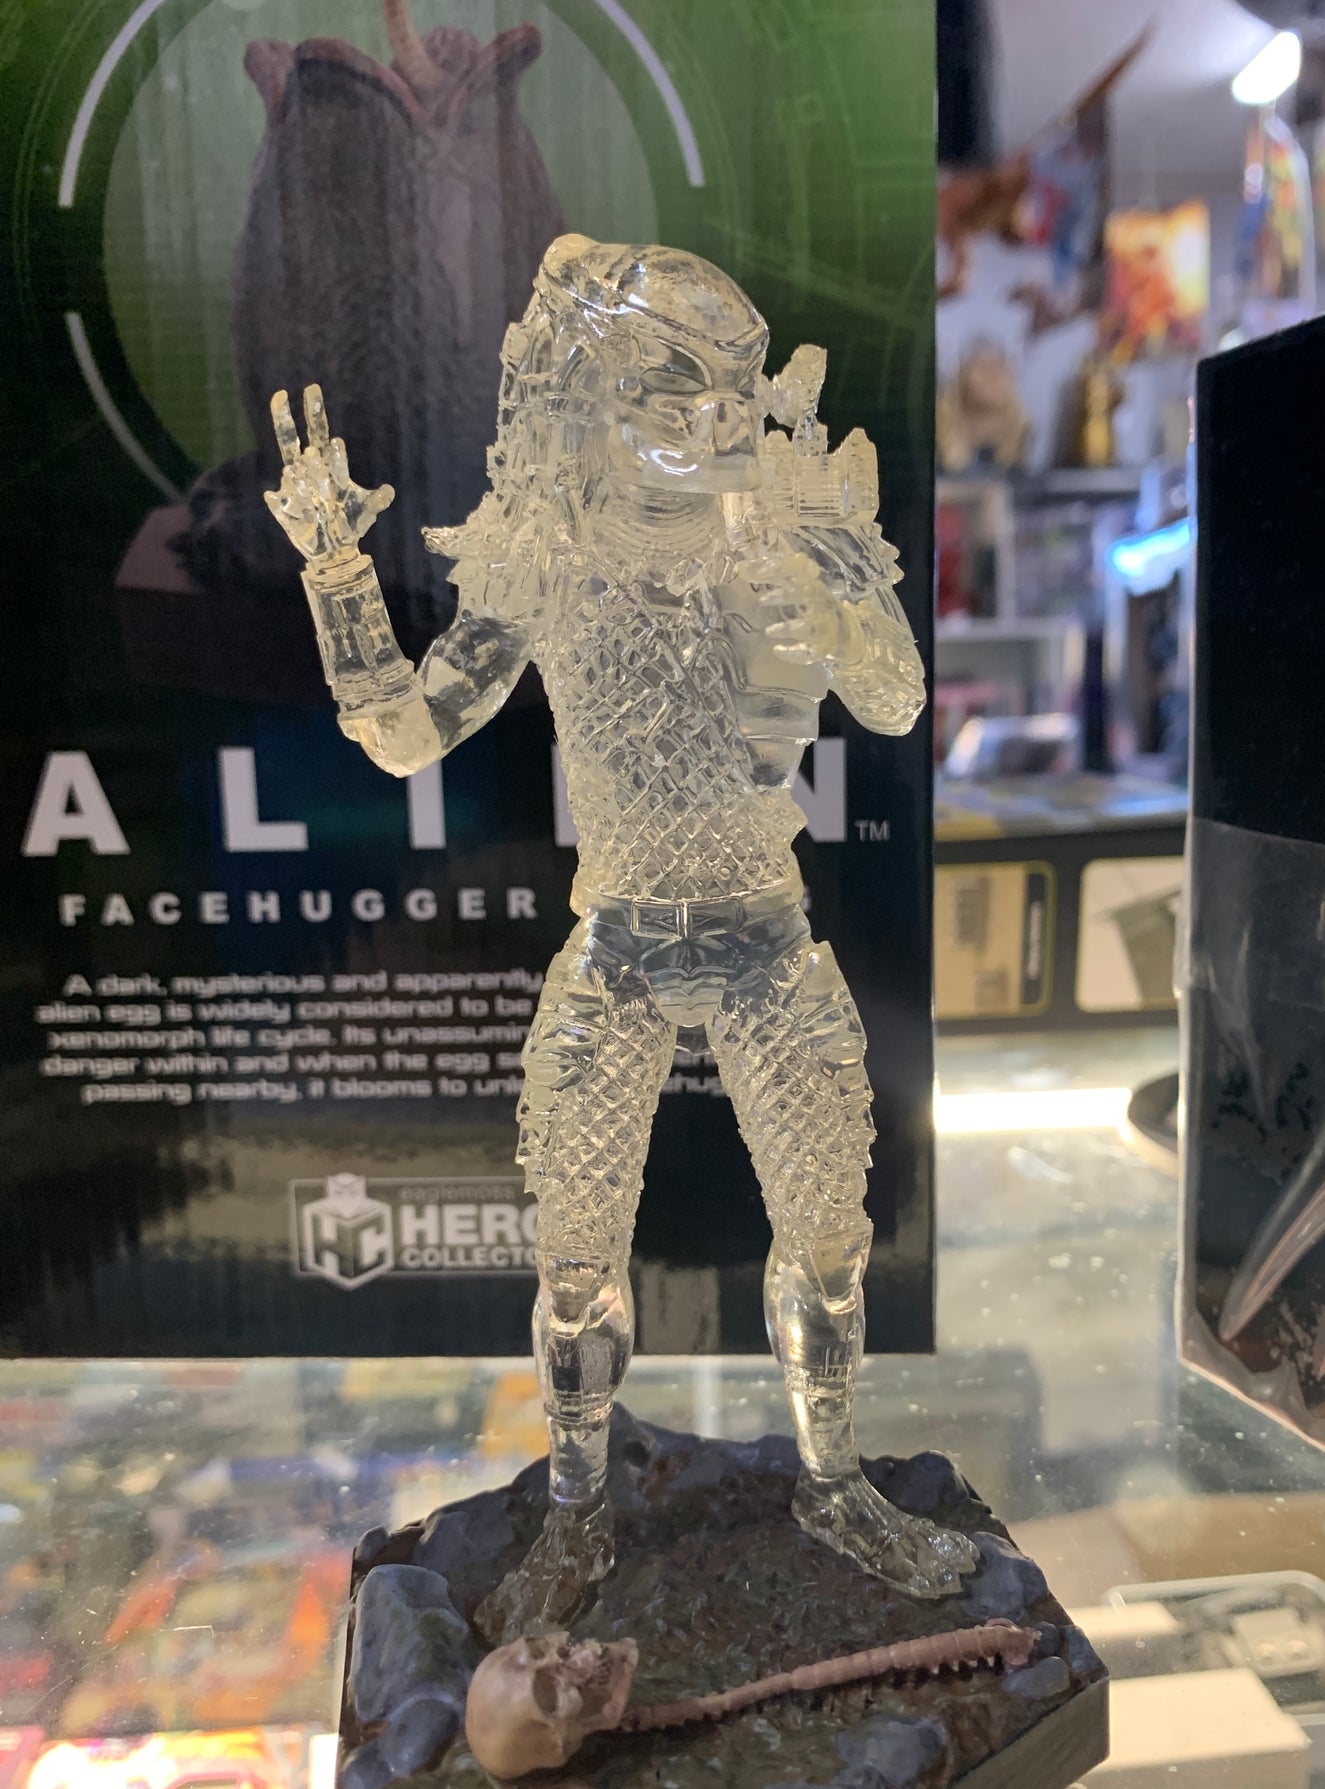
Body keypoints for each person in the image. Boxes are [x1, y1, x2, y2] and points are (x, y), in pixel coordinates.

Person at [267, 235, 977, 1639]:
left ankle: (833, 1482)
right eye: (671, 392)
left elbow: (895, 705)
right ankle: (579, 1505)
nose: (713, 423)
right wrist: (335, 568)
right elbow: (405, 733)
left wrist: (844, 578)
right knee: (577, 1266)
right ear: (586, 396)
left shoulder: (774, 531)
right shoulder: (543, 554)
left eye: (729, 390)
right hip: (621, 941)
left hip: (766, 934)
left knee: (829, 1243)